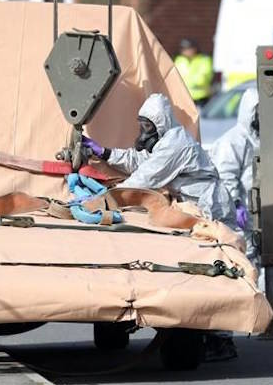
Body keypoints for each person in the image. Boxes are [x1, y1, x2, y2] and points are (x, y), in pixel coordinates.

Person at [82, 93, 238, 361]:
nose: (144, 132)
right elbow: (140, 161)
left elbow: (144, 179)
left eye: (147, 126)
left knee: (215, 271)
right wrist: (104, 152)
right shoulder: (166, 141)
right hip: (194, 203)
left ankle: (221, 341)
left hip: (208, 205)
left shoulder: (175, 145)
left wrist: (100, 201)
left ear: (161, 123)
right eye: (142, 125)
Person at [211, 87, 262, 287]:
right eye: (258, 111)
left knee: (262, 260)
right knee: (245, 258)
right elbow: (226, 175)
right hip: (243, 212)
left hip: (261, 211)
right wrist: (237, 204)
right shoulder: (233, 140)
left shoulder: (262, 138)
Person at [174, 39, 214, 107]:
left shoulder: (204, 60)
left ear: (195, 48)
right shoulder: (179, 60)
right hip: (183, 98)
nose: (186, 51)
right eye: (184, 49)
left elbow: (202, 80)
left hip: (200, 98)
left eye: (189, 48)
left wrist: (185, 80)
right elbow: (174, 77)